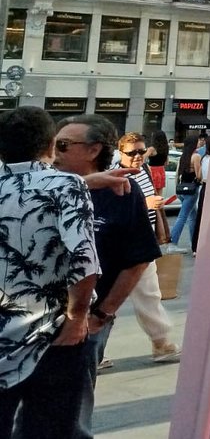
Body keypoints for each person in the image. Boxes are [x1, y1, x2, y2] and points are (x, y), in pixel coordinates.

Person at [54, 114, 160, 438]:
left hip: (84, 321)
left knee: (71, 410)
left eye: (62, 145)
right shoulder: (43, 185)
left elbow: (139, 259)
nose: (53, 151)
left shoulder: (122, 194)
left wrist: (102, 313)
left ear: (93, 150)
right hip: (29, 318)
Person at [0, 106, 99, 438]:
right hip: (53, 336)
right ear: (50, 144)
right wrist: (77, 316)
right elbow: (83, 260)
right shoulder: (66, 186)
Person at [115, 132, 181, 364]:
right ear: (120, 152)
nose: (137, 156)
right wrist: (145, 203)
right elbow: (110, 206)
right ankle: (95, 349)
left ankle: (161, 343)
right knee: (104, 300)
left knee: (150, 294)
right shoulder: (115, 173)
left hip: (142, 242)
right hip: (118, 245)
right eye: (131, 152)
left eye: (141, 151)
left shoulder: (143, 171)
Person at [169, 136, 202, 249]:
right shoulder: (196, 156)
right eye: (197, 141)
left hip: (181, 189)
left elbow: (177, 174)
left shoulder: (183, 157)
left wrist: (176, 189)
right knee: (183, 217)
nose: (199, 143)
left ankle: (194, 243)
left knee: (193, 216)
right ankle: (172, 243)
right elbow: (198, 175)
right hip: (192, 190)